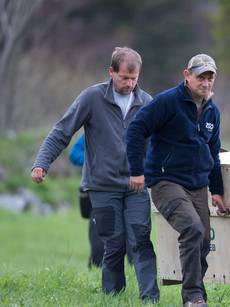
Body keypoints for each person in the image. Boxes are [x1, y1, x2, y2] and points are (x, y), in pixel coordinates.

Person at [31, 47, 160, 302]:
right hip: (102, 187)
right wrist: (41, 163)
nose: (130, 84)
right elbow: (61, 132)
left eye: (134, 79)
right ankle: (113, 298)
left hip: (137, 185)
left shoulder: (147, 103)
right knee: (113, 244)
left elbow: (164, 142)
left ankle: (150, 299)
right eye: (124, 78)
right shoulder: (92, 98)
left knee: (141, 240)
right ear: (111, 72)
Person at [126, 54, 229, 307]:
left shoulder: (212, 112)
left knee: (203, 240)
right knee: (192, 229)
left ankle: (197, 294)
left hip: (198, 183)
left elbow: (214, 152)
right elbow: (136, 129)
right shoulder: (168, 102)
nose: (205, 83)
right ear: (187, 75)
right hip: (165, 180)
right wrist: (137, 170)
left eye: (210, 77)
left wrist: (217, 191)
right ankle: (193, 297)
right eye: (200, 77)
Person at [69, 133, 134, 268]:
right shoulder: (96, 127)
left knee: (133, 235)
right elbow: (74, 154)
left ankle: (134, 272)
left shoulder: (133, 125)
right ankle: (96, 269)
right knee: (99, 239)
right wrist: (96, 163)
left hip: (129, 190)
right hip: (99, 190)